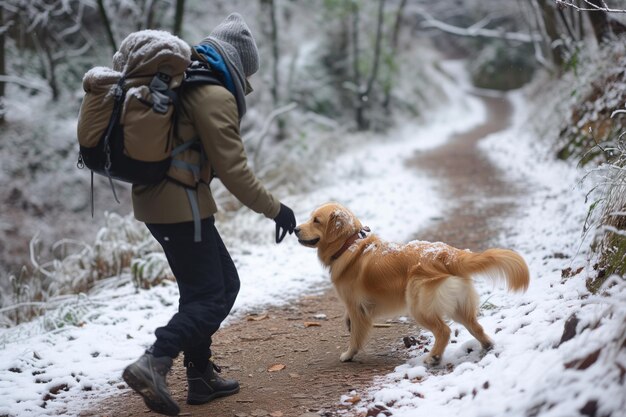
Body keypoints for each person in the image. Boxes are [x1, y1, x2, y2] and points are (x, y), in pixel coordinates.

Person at [121, 13, 297, 416]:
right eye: (248, 73)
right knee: (212, 295)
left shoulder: (189, 80)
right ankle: (155, 360)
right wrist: (277, 209)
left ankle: (200, 377)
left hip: (166, 204)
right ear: (239, 62)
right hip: (180, 208)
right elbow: (234, 170)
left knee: (214, 288)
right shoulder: (213, 94)